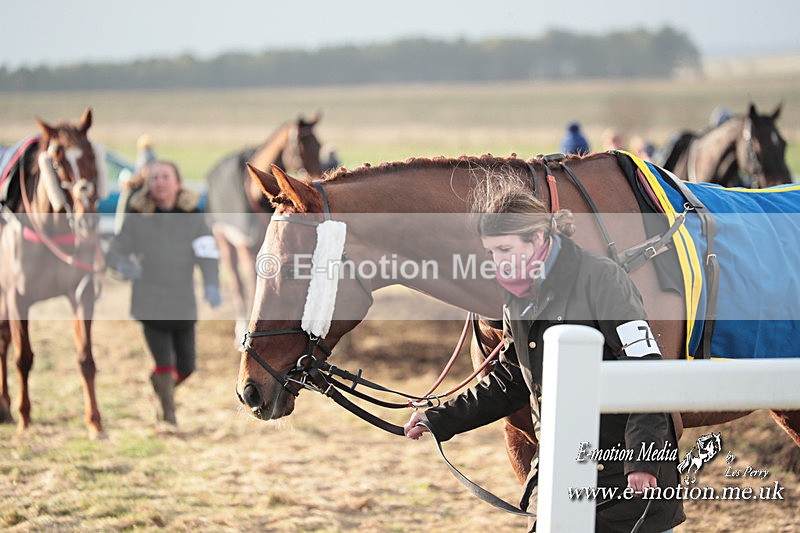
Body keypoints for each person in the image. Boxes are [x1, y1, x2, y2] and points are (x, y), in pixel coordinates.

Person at [404, 177, 684, 532]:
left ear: (538, 238)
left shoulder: (602, 279)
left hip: (624, 480)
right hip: (557, 470)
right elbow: (511, 380)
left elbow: (644, 370)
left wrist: (642, 462)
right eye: (491, 253)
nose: (497, 263)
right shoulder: (518, 293)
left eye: (505, 250)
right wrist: (439, 419)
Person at [107, 160, 221, 427]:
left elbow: (207, 253)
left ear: (177, 183)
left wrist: (211, 283)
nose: (159, 182)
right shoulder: (138, 217)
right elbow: (115, 251)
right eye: (154, 178)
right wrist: (122, 266)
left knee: (186, 367)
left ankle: (161, 386)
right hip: (149, 301)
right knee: (165, 363)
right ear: (148, 185)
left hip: (183, 302)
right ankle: (169, 419)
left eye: (165, 177)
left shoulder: (193, 215)